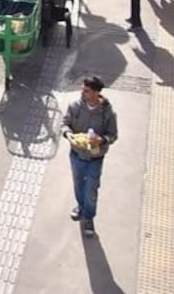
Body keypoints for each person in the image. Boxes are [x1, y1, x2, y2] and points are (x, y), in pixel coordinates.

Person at [60, 77, 118, 238]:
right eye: (83, 89)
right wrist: (68, 134)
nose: (82, 93)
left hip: (95, 157)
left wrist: (102, 140)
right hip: (77, 153)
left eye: (86, 90)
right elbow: (65, 123)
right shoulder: (75, 107)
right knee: (78, 184)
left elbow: (113, 135)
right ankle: (80, 206)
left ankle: (89, 217)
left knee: (91, 189)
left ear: (96, 93)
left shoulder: (108, 113)